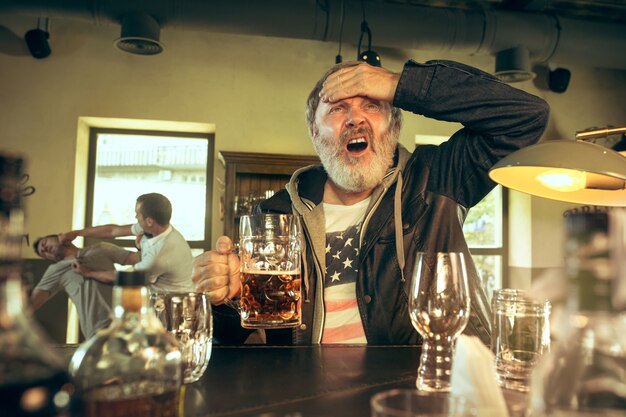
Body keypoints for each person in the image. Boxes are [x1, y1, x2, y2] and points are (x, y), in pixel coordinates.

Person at [193, 59, 550, 345]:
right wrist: (226, 297)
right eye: (336, 108)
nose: (354, 118)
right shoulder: (276, 215)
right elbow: (231, 338)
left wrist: (400, 84)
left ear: (393, 127)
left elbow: (526, 117)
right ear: (315, 134)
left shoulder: (437, 178)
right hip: (308, 391)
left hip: (426, 386)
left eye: (372, 105)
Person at [58, 193, 194, 293]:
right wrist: (76, 233)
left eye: (137, 214)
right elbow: (113, 231)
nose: (135, 217)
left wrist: (88, 273)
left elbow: (122, 277)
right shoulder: (157, 227)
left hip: (173, 308)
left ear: (149, 221)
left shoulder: (159, 256)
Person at [31, 234, 135, 338]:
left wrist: (142, 243)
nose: (44, 248)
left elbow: (141, 261)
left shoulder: (101, 248)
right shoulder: (55, 270)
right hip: (99, 330)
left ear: (59, 237)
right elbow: (32, 304)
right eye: (43, 253)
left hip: (127, 320)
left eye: (44, 243)